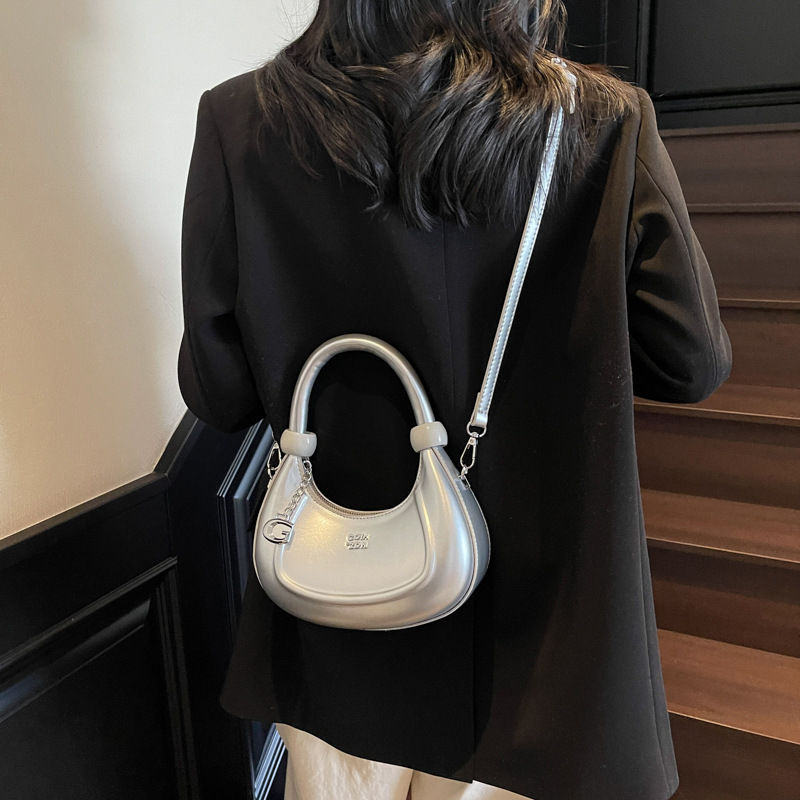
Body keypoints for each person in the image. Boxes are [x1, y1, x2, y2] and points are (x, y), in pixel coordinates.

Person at [176, 1, 733, 799]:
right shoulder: (601, 121)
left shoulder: (241, 120)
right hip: (541, 649)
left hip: (341, 618)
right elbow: (690, 364)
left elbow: (219, 393)